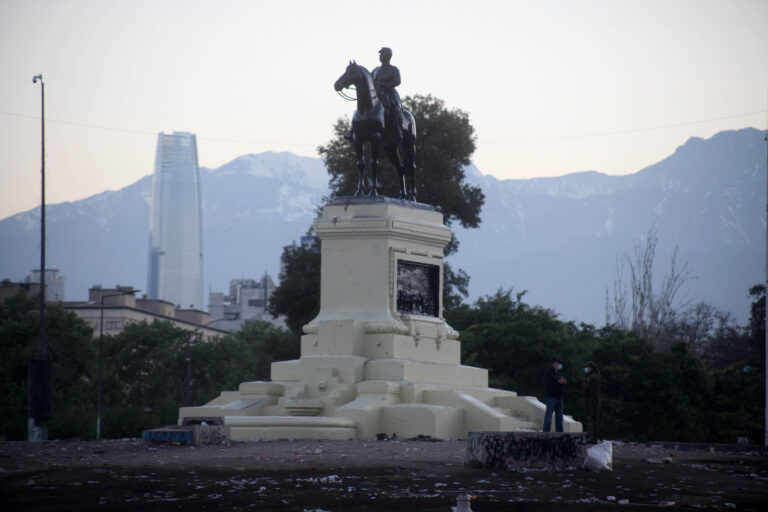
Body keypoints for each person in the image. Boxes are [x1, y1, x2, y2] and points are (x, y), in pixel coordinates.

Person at [372, 46, 403, 140]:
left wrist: (385, 85)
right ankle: (354, 129)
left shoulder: (394, 69)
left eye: (382, 54)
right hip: (376, 92)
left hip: (389, 92)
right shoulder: (376, 69)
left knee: (394, 107)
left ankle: (398, 129)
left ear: (388, 56)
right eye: (380, 54)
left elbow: (397, 81)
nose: (380, 56)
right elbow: (370, 80)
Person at [542, 357, 567, 433]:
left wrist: (563, 383)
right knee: (549, 416)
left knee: (559, 418)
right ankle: (546, 432)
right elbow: (548, 385)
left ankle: (559, 433)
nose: (559, 365)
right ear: (554, 364)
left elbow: (560, 384)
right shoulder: (549, 373)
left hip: (559, 397)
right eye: (558, 363)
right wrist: (558, 382)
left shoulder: (559, 373)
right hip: (551, 397)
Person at [581, 361, 601, 444]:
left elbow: (592, 391)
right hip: (589, 400)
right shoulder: (590, 377)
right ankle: (591, 436)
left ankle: (592, 437)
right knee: (590, 419)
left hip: (592, 401)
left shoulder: (593, 378)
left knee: (592, 420)